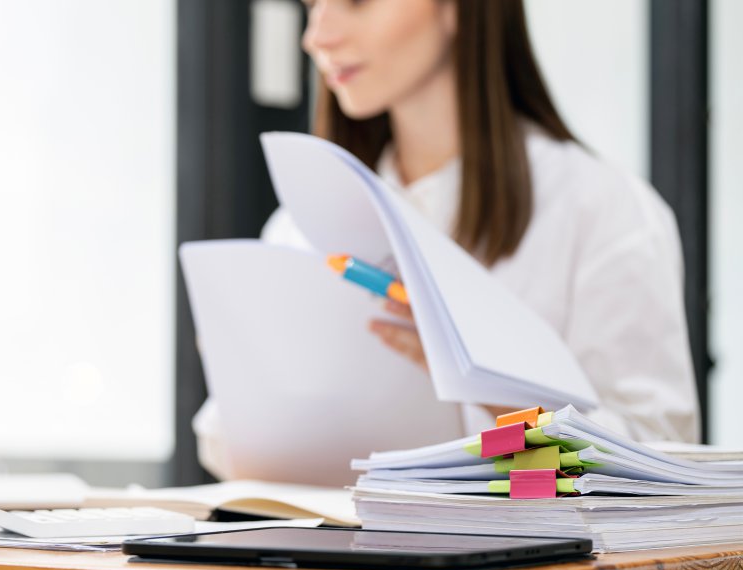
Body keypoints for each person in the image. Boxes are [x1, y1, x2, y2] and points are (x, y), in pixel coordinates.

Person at [194, 0, 699, 480]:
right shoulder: (301, 227)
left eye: (357, 2)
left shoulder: (601, 209)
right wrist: (246, 367)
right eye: (312, 6)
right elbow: (225, 449)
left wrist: (486, 384)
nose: (318, 37)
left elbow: (653, 466)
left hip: (517, 566)